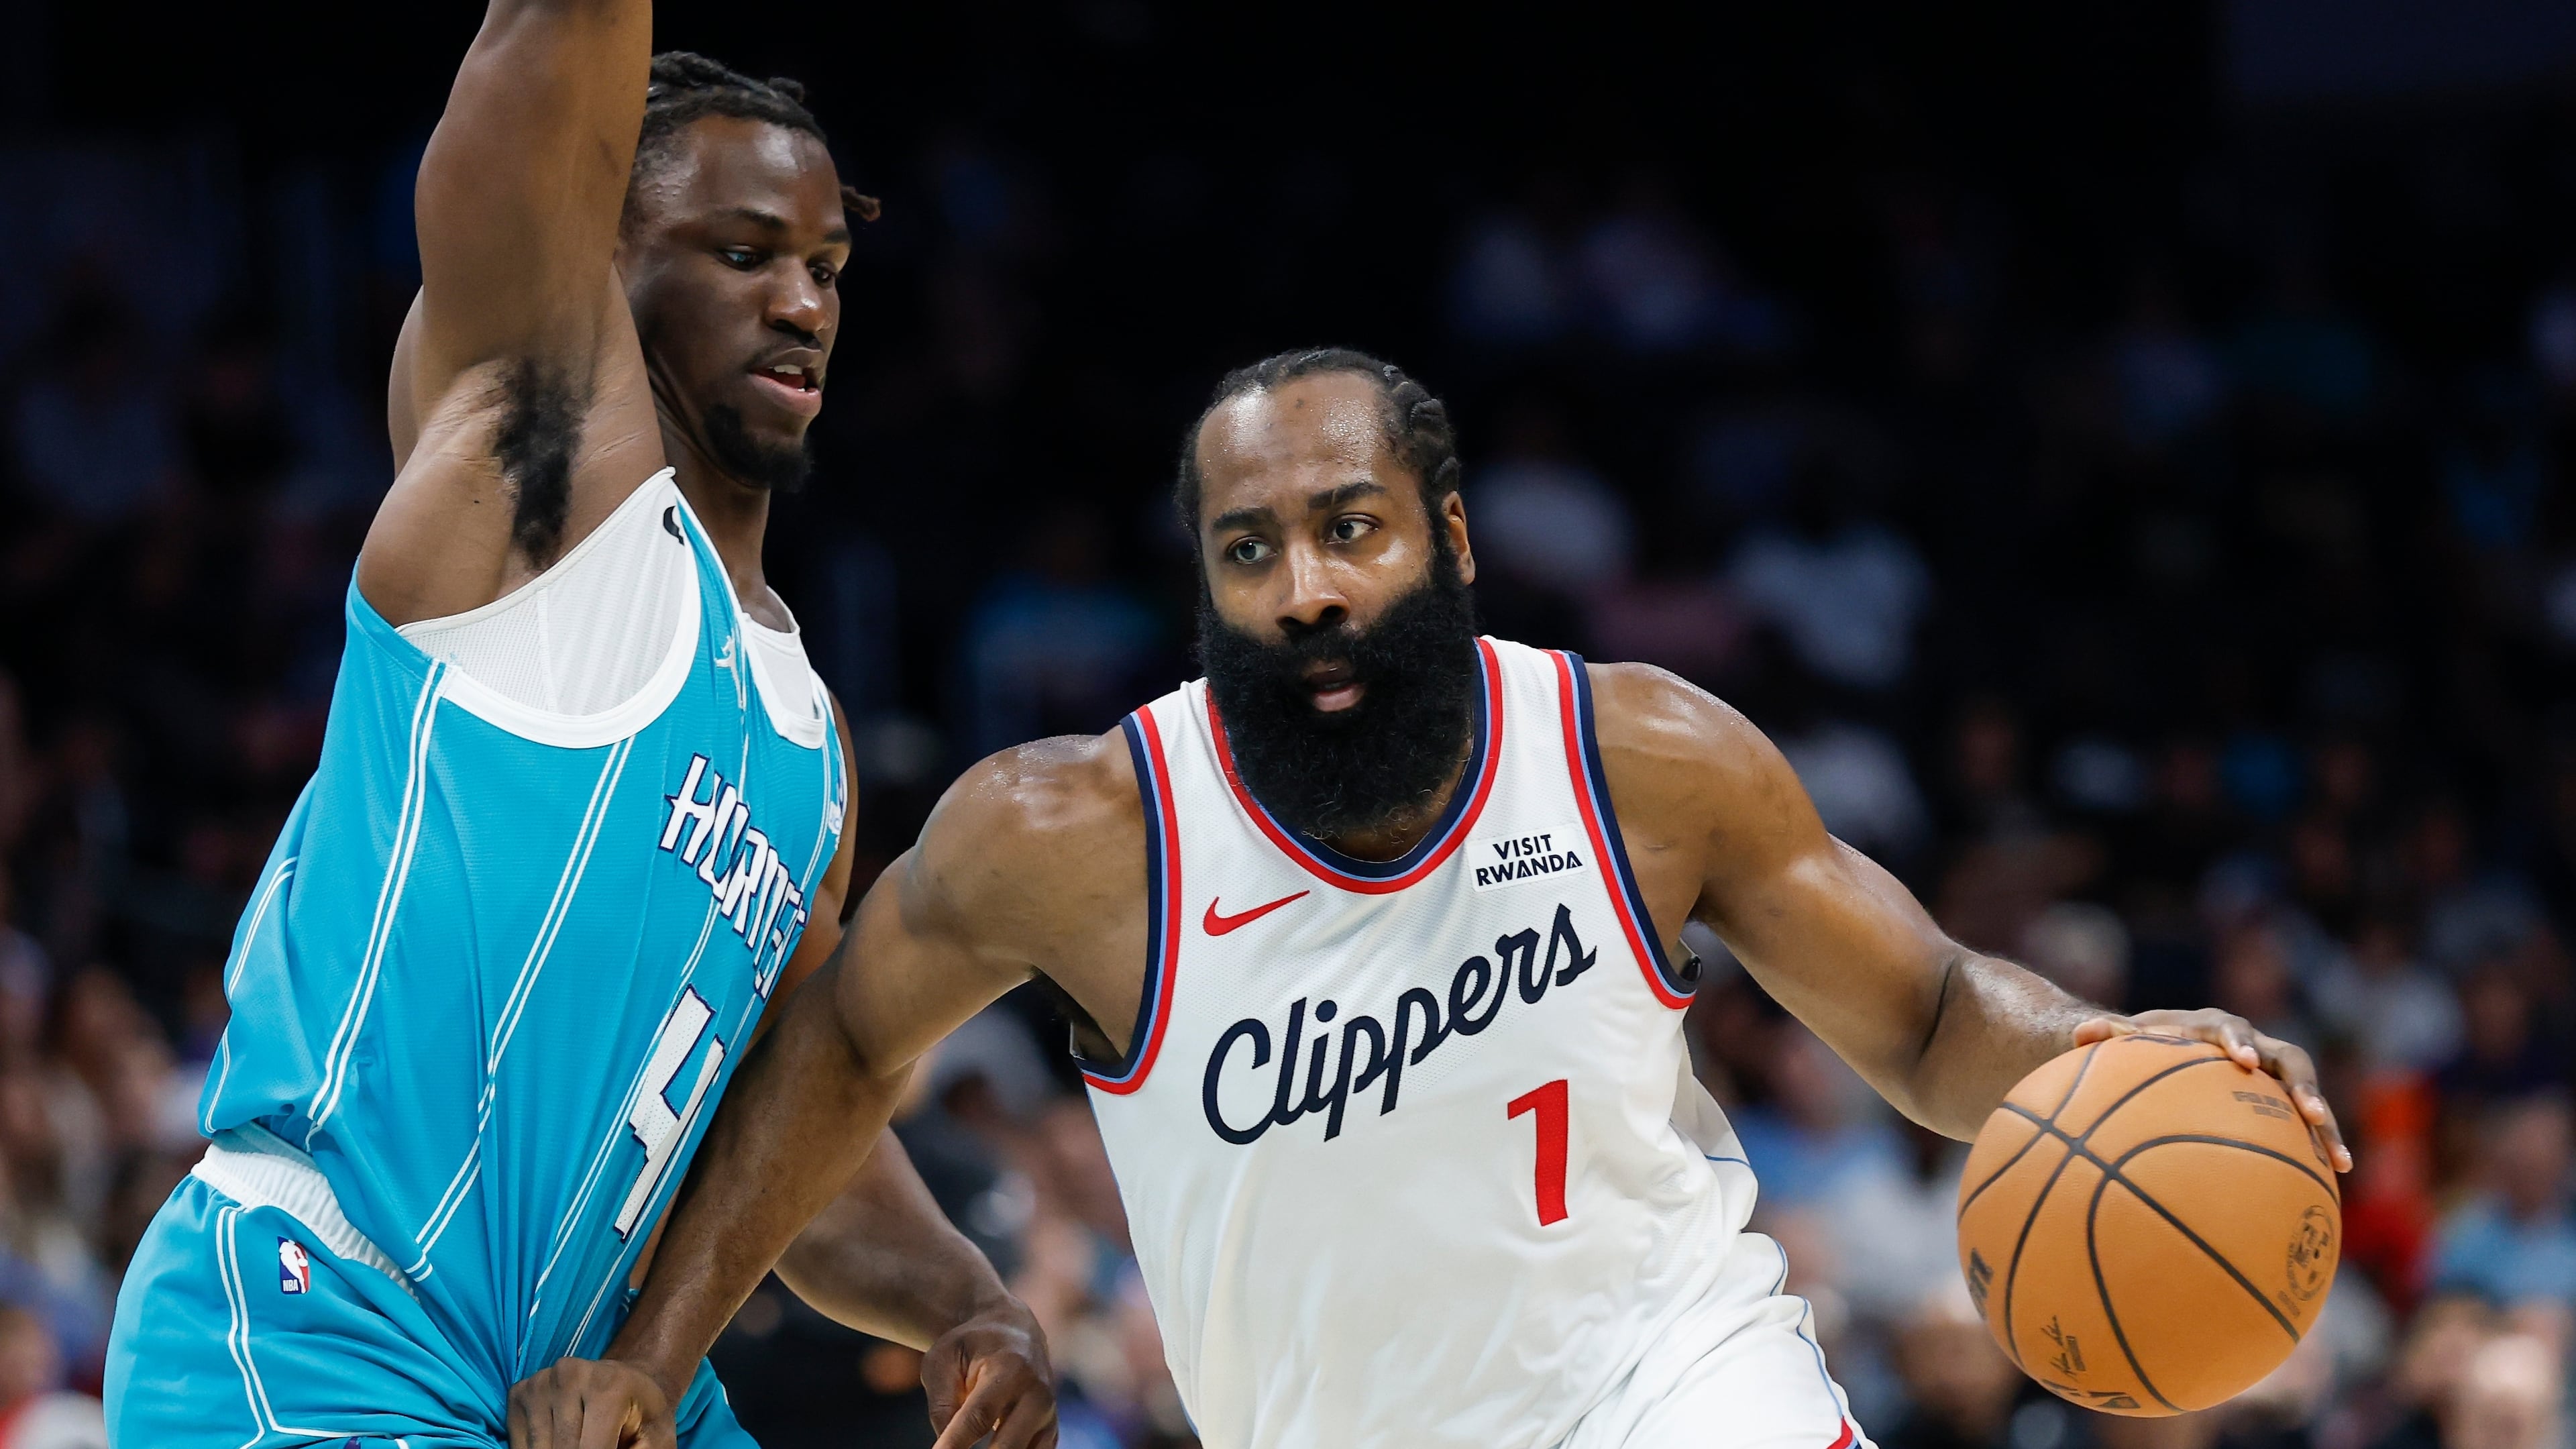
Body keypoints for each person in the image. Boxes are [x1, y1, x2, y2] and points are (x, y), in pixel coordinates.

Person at [515, 349, 2348, 1449]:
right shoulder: (1076, 833)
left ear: (1451, 541)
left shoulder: (1644, 756)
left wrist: (2113, 1057)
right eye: (1251, 552)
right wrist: (649, 1363)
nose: (1304, 587)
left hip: (1677, 1387)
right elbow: (829, 1045)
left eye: (1348, 527)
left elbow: (1934, 1014)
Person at [101, 6, 1055, 1446]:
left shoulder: (812, 742)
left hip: (578, 1391)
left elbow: (783, 1134)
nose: (800, 303)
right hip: (326, 1317)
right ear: (601, 260)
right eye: (742, 255)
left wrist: (968, 1299)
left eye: (824, 267)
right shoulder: (539, 490)